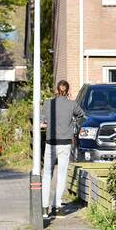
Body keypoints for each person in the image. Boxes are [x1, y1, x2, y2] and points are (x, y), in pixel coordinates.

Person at [40, 80, 85, 218]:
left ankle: (44, 208)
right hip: (65, 142)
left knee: (47, 173)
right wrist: (73, 125)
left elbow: (43, 120)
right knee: (62, 174)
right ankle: (57, 206)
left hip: (51, 142)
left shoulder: (48, 103)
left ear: (56, 90)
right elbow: (82, 117)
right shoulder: (72, 105)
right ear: (68, 90)